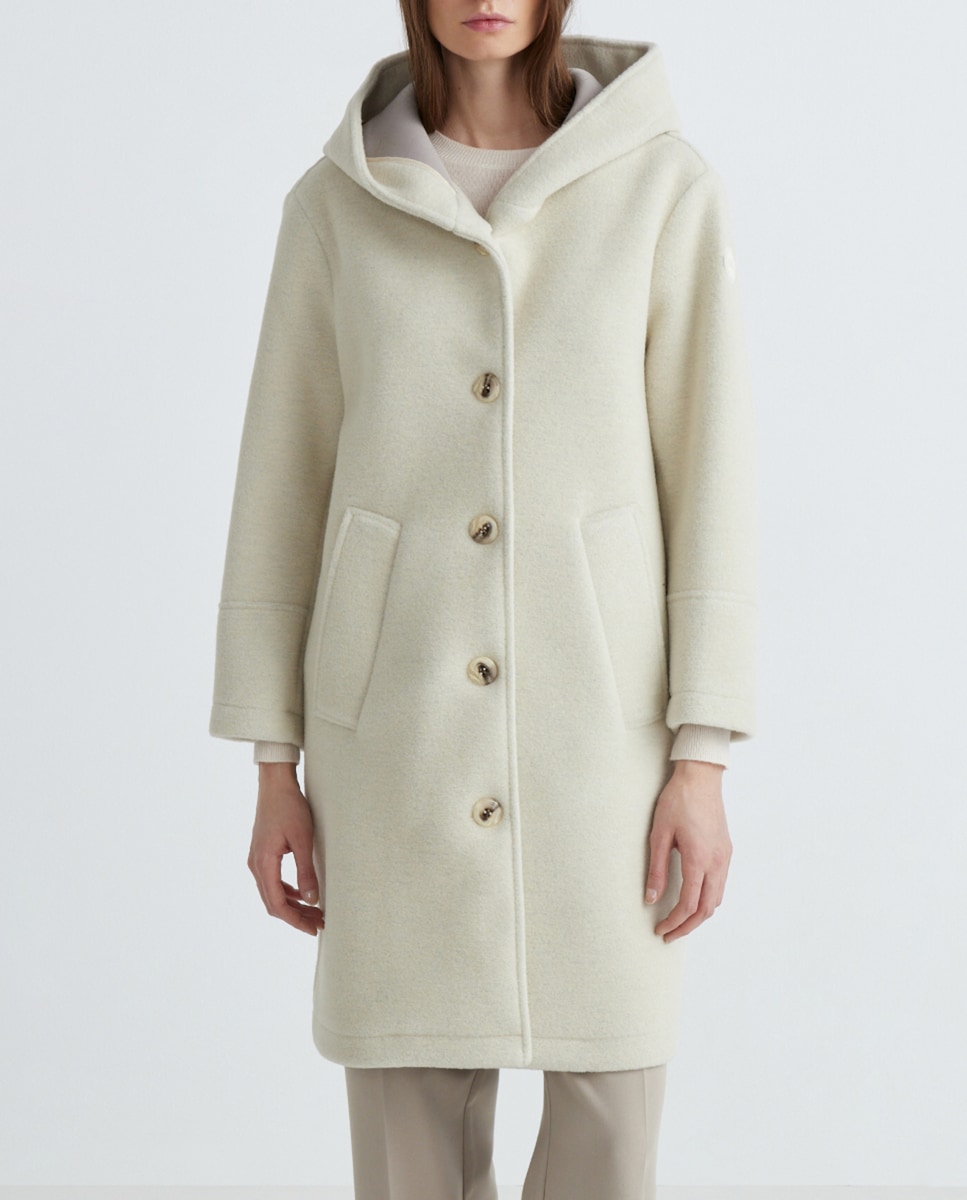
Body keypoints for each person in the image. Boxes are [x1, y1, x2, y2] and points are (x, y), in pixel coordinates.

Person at [209, 2, 757, 1196]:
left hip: (602, 742)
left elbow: (710, 476)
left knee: (609, 1123)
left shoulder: (661, 188)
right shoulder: (336, 204)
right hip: (393, 740)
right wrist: (271, 765)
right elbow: (282, 483)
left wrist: (702, 755)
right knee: (408, 1141)